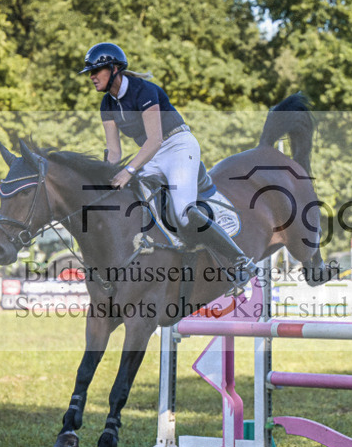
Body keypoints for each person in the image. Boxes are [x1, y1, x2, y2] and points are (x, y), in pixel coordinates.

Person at [79, 42, 259, 291]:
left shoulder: (144, 90)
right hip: (151, 156)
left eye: (95, 71)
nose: (91, 76)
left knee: (183, 212)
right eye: (89, 72)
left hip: (177, 146)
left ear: (115, 69)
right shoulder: (106, 105)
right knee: (135, 198)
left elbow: (156, 139)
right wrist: (105, 183)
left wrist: (128, 171)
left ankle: (241, 261)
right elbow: (115, 152)